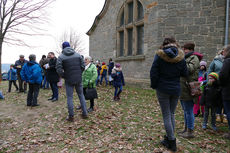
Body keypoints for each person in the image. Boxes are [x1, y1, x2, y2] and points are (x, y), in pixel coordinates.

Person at [150, 37, 188, 152]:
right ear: (175, 43)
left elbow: (153, 72)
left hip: (163, 89)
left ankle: (172, 142)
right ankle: (169, 138)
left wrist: (154, 85)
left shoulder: (159, 55)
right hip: (176, 89)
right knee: (171, 113)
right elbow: (185, 73)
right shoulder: (181, 57)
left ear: (164, 44)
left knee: (167, 114)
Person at [56, 41, 88, 122]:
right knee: (81, 95)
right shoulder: (78, 55)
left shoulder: (61, 57)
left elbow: (59, 70)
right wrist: (79, 73)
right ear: (70, 46)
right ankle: (85, 113)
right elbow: (83, 66)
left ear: (63, 47)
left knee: (70, 98)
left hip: (69, 79)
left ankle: (71, 116)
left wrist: (64, 76)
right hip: (78, 78)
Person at [179, 42, 203, 138]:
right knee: (185, 110)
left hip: (189, 88)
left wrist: (181, 62)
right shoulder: (186, 58)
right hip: (183, 88)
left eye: (185, 49)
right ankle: (186, 129)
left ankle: (190, 131)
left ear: (190, 49)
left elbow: (189, 69)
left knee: (189, 110)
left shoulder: (194, 58)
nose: (183, 51)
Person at [208, 50, 227, 123]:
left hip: (226, 83)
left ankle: (225, 115)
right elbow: (210, 70)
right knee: (218, 99)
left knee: (225, 99)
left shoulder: (228, 60)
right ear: (222, 52)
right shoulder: (215, 60)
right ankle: (218, 114)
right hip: (216, 83)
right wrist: (209, 80)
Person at [219, 45, 230, 140]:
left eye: (224, 51)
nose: (223, 53)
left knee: (229, 111)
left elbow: (222, 75)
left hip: (228, 90)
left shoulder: (227, 61)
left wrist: (221, 84)